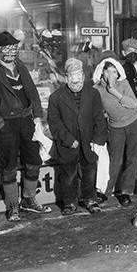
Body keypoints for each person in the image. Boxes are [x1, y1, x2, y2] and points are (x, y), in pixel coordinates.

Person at [0, 31, 51, 222]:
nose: (11, 52)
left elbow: (33, 93)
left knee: (34, 161)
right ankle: (13, 206)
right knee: (9, 167)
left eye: (13, 48)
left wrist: (37, 117)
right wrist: (0, 125)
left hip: (26, 121)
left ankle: (28, 199)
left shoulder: (21, 67)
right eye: (6, 49)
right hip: (7, 124)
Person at [48, 58, 108, 215]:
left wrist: (98, 141)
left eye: (79, 78)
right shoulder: (56, 97)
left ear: (83, 76)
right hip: (68, 145)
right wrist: (69, 140)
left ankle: (90, 199)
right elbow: (55, 124)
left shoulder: (93, 94)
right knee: (69, 175)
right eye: (72, 78)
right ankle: (69, 202)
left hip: (89, 142)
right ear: (66, 78)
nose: (76, 82)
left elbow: (99, 119)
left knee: (90, 172)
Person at [92, 53, 137, 206]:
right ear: (102, 71)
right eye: (108, 71)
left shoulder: (124, 84)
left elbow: (133, 104)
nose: (111, 74)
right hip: (115, 127)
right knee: (115, 161)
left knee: (132, 159)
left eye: (114, 71)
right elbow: (96, 109)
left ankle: (126, 192)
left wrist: (115, 92)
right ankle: (105, 191)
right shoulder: (96, 89)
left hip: (134, 123)